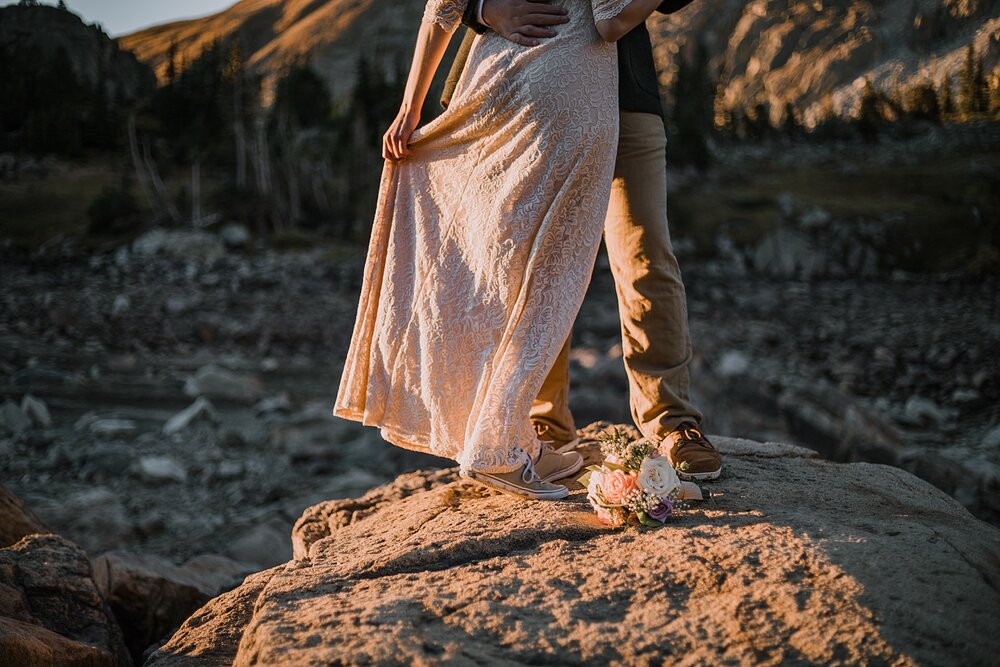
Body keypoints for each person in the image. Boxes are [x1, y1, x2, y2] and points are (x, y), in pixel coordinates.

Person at [334, 0, 673, 500]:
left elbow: (442, 5)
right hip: (568, 87)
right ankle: (496, 448)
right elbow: (611, 19)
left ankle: (519, 438)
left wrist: (409, 109)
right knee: (548, 280)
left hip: (492, 77)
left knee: (494, 262)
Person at [441, 0, 723, 481]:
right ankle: (541, 424)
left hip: (624, 94)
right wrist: (484, 9)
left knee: (644, 253)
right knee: (534, 260)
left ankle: (671, 424)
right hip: (523, 86)